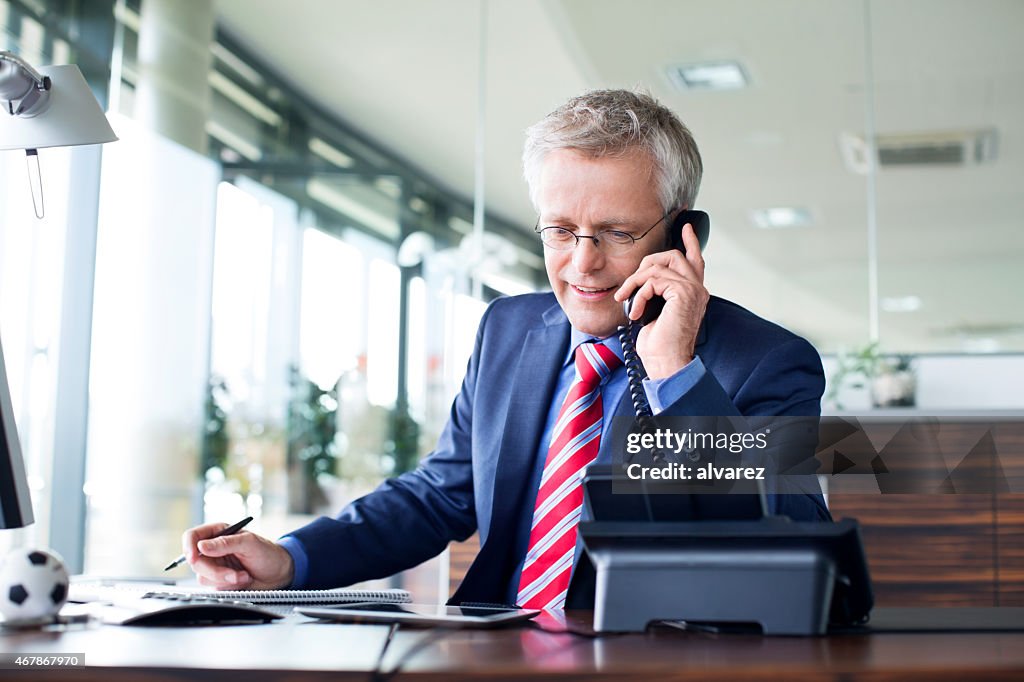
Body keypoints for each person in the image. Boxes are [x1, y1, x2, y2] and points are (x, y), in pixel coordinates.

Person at [183, 89, 830, 610]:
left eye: (616, 232)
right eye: (561, 230)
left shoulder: (769, 361)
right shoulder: (509, 329)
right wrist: (294, 558)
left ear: (683, 230)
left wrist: (674, 371)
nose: (584, 263)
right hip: (494, 651)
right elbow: (440, 493)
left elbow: (795, 542)